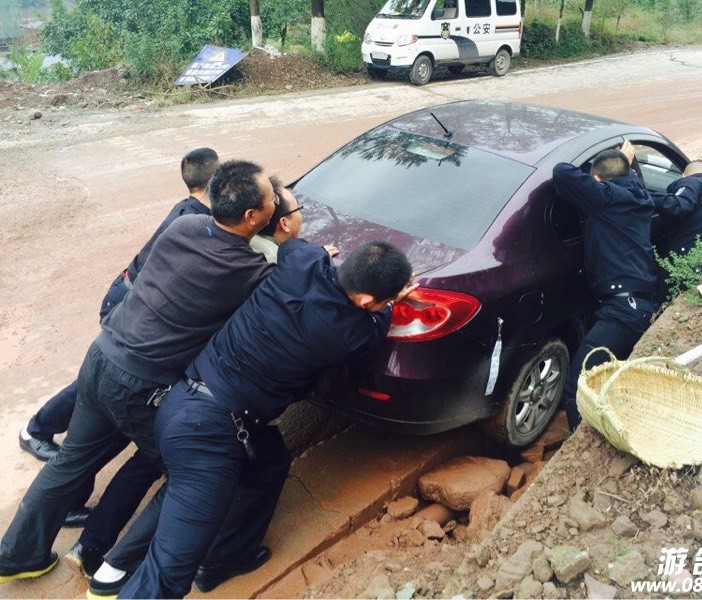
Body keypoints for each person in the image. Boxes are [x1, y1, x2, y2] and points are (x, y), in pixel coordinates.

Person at [0, 159, 277, 585]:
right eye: (271, 200)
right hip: (142, 383)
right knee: (193, 473)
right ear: (252, 216)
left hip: (102, 356)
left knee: (70, 461)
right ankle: (116, 572)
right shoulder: (247, 270)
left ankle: (16, 555)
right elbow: (285, 284)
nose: (276, 203)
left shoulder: (183, 229)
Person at [116, 239, 416, 598]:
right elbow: (374, 326)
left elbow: (296, 247)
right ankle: (181, 567)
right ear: (366, 302)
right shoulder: (348, 331)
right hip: (209, 436)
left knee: (269, 464)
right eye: (378, 301)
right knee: (168, 569)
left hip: (186, 401)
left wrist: (328, 257)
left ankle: (225, 558)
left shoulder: (303, 259)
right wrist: (390, 306)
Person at [552, 141, 659, 431]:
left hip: (622, 311)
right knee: (607, 382)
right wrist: (624, 162)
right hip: (640, 305)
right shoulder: (639, 195)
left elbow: (561, 172)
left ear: (597, 181)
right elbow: (623, 179)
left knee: (579, 387)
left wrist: (601, 175)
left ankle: (580, 450)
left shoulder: (606, 198)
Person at [652, 159, 702, 300]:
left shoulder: (692, 182)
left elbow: (679, 206)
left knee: (663, 302)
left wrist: (643, 195)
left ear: (684, 175)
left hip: (683, 266)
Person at [250, 187, 339, 263]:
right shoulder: (277, 264)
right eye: (298, 208)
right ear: (284, 223)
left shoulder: (244, 242)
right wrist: (314, 260)